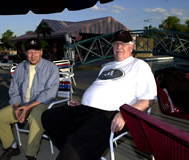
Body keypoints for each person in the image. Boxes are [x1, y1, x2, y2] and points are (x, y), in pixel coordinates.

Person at [41, 30, 157, 160]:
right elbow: (99, 89)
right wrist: (82, 101)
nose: (119, 47)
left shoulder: (139, 65)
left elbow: (149, 99)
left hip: (110, 114)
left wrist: (126, 114)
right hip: (85, 109)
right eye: (116, 44)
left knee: (78, 142)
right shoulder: (106, 66)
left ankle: (75, 150)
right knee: (49, 117)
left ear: (131, 47)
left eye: (123, 44)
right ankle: (77, 151)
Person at [0, 39, 59, 160]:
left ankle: (31, 154)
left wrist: (29, 107)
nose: (33, 56)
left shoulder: (51, 68)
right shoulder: (20, 68)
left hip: (42, 104)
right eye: (30, 52)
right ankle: (12, 148)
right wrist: (17, 107)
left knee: (35, 117)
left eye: (36, 52)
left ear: (41, 52)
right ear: (25, 53)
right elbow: (13, 90)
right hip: (22, 103)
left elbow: (51, 92)